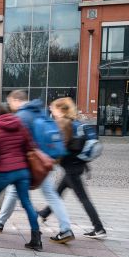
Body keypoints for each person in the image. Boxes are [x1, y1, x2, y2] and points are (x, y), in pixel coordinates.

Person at [0, 89, 75, 244]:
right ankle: (65, 228)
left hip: (30, 163)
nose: (10, 106)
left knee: (17, 192)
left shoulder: (22, 116)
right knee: (39, 194)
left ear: (17, 100)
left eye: (11, 102)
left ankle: (0, 222)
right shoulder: (39, 112)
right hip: (43, 161)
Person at [0, 103, 42, 251]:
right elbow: (29, 146)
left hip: (5, 172)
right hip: (22, 171)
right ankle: (36, 239)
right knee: (27, 203)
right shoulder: (20, 125)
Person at [43, 97, 107, 239]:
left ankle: (99, 228)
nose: (51, 111)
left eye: (53, 109)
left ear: (60, 110)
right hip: (76, 165)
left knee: (83, 198)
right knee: (58, 191)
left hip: (72, 167)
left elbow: (62, 147)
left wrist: (50, 159)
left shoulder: (64, 124)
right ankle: (45, 213)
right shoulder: (76, 123)